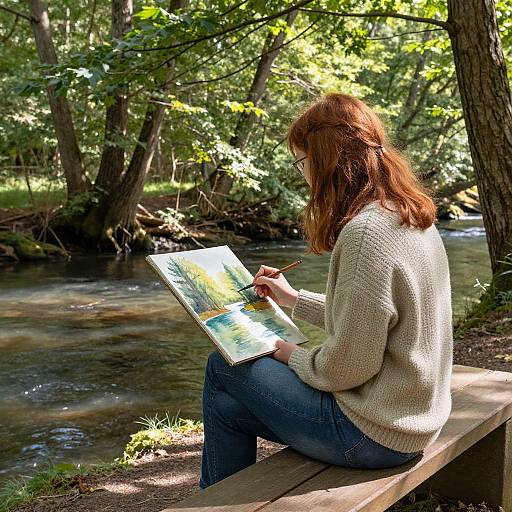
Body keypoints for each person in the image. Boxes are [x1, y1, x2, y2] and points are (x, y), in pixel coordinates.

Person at [199, 92, 453, 490]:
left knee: (222, 367)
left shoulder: (367, 233)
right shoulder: (410, 213)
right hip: (415, 420)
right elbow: (370, 318)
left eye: (301, 162)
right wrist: (291, 299)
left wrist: (285, 353)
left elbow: (345, 368)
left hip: (372, 435)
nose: (302, 174)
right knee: (229, 406)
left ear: (324, 158)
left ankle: (212, 497)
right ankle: (221, 499)